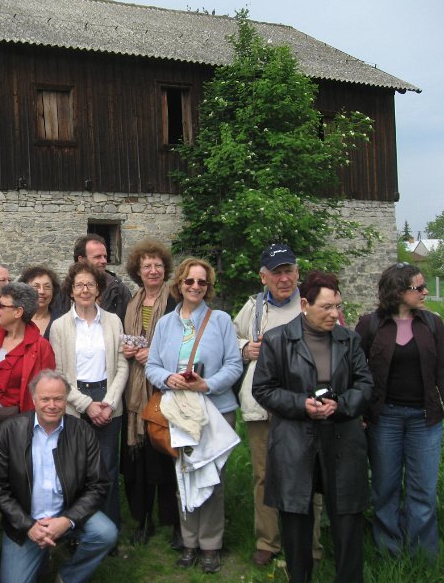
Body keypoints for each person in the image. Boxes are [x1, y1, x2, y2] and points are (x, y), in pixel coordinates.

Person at [253, 271, 373, 583]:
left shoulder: (350, 340)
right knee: (296, 519)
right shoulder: (278, 340)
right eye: (327, 307)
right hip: (294, 438)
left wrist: (341, 405)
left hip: (342, 437)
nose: (335, 314)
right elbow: (263, 389)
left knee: (347, 516)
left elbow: (365, 384)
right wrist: (300, 404)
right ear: (305, 304)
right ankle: (299, 577)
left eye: (338, 306)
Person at [145, 258, 242, 574]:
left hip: (214, 408)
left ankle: (211, 544)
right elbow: (152, 366)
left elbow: (234, 365)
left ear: (208, 287)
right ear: (180, 285)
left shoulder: (221, 320)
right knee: (184, 473)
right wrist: (167, 378)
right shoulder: (165, 324)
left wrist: (208, 384)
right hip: (180, 410)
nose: (196, 287)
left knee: (212, 479)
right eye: (190, 282)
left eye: (202, 282)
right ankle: (189, 541)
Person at [232, 243, 323, 566]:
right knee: (264, 476)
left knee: (308, 477)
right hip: (262, 407)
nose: (284, 278)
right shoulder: (254, 308)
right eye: (277, 272)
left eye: (289, 271)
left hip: (304, 408)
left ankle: (310, 547)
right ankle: (267, 542)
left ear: (298, 273)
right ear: (263, 277)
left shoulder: (309, 305)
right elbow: (232, 338)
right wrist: (245, 349)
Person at [0, 370, 117, 583]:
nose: (52, 405)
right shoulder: (9, 431)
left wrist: (68, 520)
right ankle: (40, 554)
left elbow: (99, 484)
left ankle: (67, 577)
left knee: (106, 533)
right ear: (33, 399)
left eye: (58, 399)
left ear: (66, 399)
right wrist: (28, 526)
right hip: (26, 524)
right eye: (45, 399)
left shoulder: (82, 432)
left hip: (67, 513)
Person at [355, 262, 444, 560]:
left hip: (425, 420)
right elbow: (357, 372)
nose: (425, 292)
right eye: (418, 288)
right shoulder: (369, 325)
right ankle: (388, 553)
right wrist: (360, 412)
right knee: (385, 488)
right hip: (385, 419)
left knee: (423, 492)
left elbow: (442, 371)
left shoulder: (433, 323)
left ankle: (422, 557)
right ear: (397, 291)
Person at [0, 281, 56, 555]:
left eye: (2, 305)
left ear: (19, 311)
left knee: (16, 484)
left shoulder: (40, 347)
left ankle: (18, 538)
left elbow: (44, 391)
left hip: (19, 427)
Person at [49, 262, 128, 531]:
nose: (85, 290)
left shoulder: (113, 321)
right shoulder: (60, 326)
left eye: (90, 285)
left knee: (106, 468)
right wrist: (86, 405)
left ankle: (110, 530)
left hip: (108, 400)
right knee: (77, 470)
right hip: (75, 402)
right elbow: (59, 373)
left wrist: (109, 402)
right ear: (71, 291)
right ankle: (77, 531)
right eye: (79, 285)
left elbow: (122, 365)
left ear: (98, 290)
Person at [119, 240, 179, 546]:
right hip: (135, 391)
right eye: (146, 266)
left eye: (157, 265)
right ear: (137, 272)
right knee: (139, 460)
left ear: (165, 269)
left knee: (166, 454)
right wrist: (128, 349)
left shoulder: (175, 300)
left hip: (165, 388)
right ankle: (143, 519)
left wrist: (153, 354)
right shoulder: (131, 303)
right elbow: (127, 338)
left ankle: (173, 521)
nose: (153, 270)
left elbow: (182, 341)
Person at [73, 233, 131, 322]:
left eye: (105, 256)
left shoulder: (120, 291)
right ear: (81, 260)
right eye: (97, 257)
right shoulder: (65, 291)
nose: (104, 261)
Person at [18, 264, 63, 339]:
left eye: (47, 287)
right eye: (36, 286)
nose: (42, 291)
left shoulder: (62, 321)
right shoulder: (16, 319)